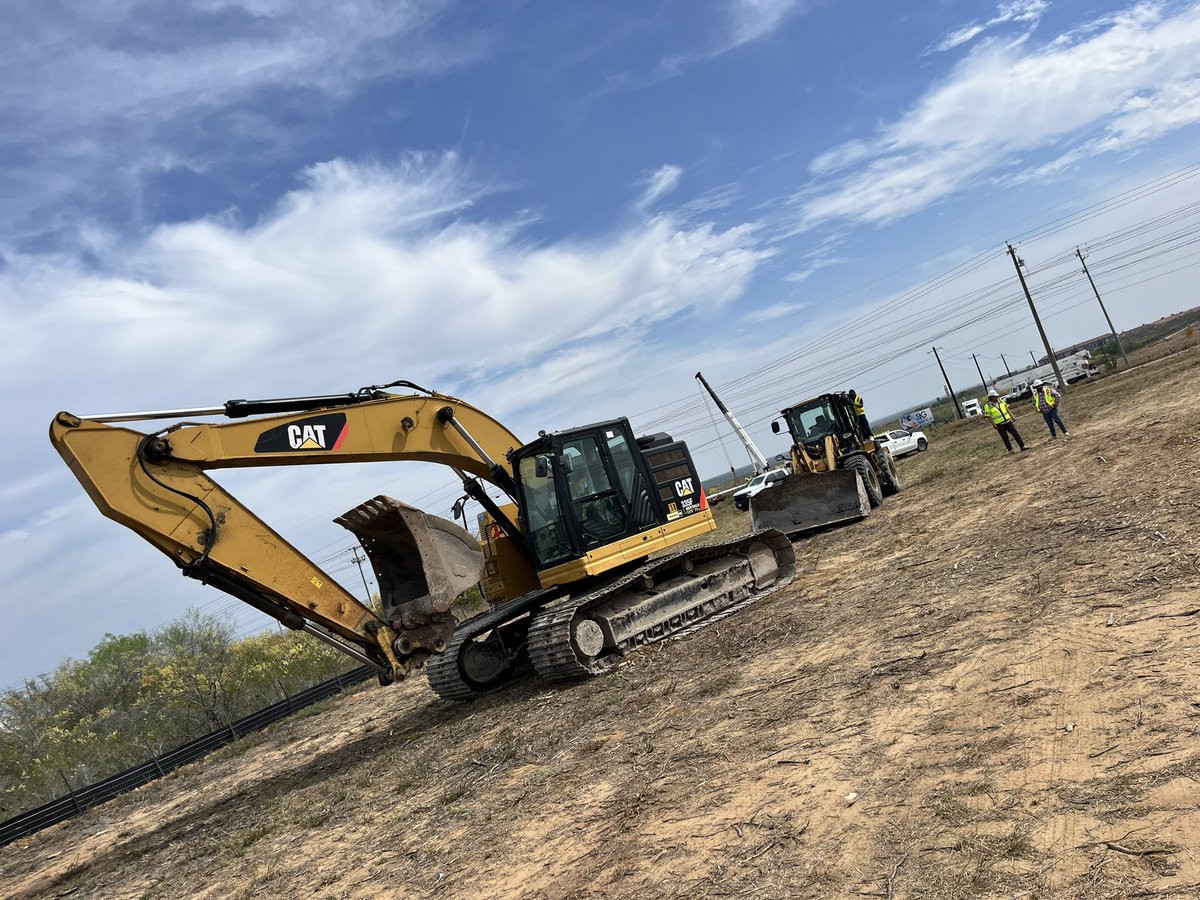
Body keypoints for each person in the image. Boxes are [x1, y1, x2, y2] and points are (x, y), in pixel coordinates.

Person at [982, 389, 1027, 453]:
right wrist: (993, 424)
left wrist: (1012, 416)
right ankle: (1010, 450)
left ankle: (1022, 446)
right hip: (999, 424)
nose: (996, 397)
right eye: (995, 396)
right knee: (1005, 437)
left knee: (1015, 433)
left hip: (1008, 421)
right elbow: (988, 416)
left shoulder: (1001, 401)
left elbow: (1007, 409)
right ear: (991, 398)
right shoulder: (987, 406)